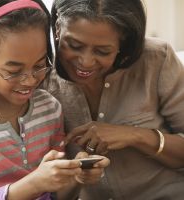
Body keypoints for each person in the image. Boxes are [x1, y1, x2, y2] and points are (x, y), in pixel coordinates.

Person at [0, 0, 110, 199]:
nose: (30, 80)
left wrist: (76, 176)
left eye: (40, 65)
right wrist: (34, 183)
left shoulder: (48, 108)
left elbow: (55, 194)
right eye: (13, 71)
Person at [41, 0, 184, 199]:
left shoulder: (156, 60)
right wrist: (76, 176)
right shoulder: (39, 78)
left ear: (123, 42)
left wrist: (135, 136)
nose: (86, 61)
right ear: (57, 27)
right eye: (74, 45)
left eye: (102, 51)